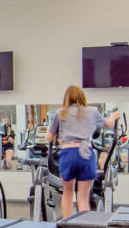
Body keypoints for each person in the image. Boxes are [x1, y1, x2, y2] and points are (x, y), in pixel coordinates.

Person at [46, 85, 121, 218]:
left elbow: (49, 138)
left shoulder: (60, 113)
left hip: (67, 154)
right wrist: (114, 116)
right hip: (85, 153)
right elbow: (109, 124)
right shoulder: (91, 112)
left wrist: (51, 128)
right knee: (83, 197)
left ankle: (67, 226)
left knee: (68, 194)